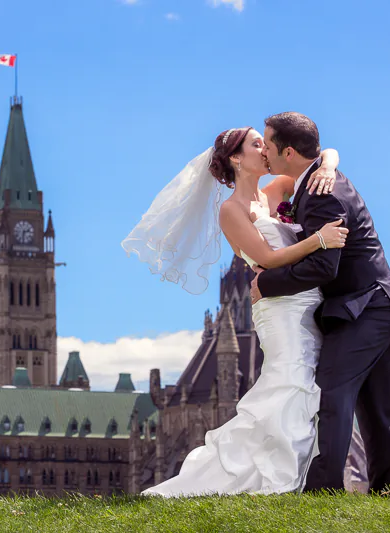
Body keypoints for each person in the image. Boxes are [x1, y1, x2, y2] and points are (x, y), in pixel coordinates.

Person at [122, 126, 348, 496]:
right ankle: (277, 481)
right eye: (257, 144)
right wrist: (317, 240)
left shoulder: (275, 191)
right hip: (278, 312)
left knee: (307, 388)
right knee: (288, 384)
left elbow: (319, 158)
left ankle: (302, 480)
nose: (267, 149)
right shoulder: (231, 210)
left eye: (266, 142)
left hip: (306, 306)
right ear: (236, 159)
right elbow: (267, 258)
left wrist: (328, 166)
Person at [253, 112, 390, 495]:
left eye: (269, 146)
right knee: (378, 408)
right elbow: (324, 155)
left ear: (288, 152)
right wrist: (329, 159)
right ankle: (388, 494)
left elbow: (325, 265)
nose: (265, 154)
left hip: (365, 308)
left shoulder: (322, 194)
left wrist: (266, 282)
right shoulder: (317, 179)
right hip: (380, 307)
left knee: (331, 391)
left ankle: (324, 490)